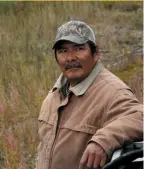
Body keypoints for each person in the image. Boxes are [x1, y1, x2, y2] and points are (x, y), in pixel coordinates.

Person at [36, 20, 143, 169]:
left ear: (96, 53)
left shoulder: (113, 92)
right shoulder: (55, 94)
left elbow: (139, 117)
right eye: (62, 51)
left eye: (79, 48)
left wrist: (104, 140)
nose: (70, 57)